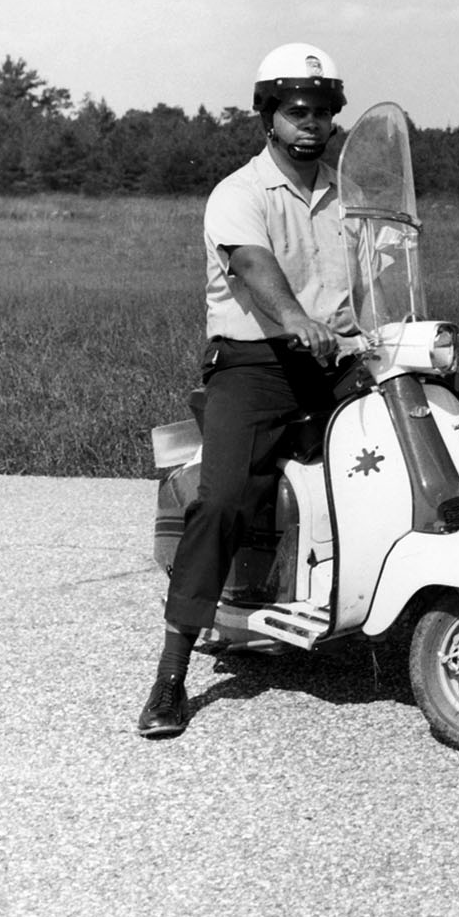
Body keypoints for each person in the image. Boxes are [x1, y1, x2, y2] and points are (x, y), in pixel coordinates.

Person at [138, 42, 361, 739]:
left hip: (339, 358)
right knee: (225, 498)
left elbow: (384, 274)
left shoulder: (348, 196)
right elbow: (252, 263)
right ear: (269, 115)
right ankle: (171, 675)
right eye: (297, 110)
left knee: (447, 412)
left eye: (323, 112)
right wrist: (297, 320)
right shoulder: (239, 192)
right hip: (254, 361)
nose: (311, 123)